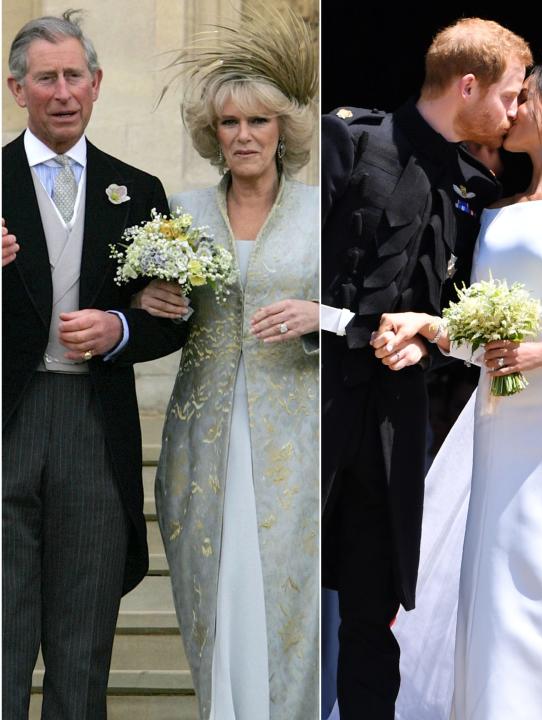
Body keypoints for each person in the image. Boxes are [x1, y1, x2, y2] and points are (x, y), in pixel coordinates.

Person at [375, 59, 542, 719]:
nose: (511, 110)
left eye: (524, 99)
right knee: (501, 585)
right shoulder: (497, 213)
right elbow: (486, 337)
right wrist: (431, 326)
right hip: (503, 421)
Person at [321, 18, 531, 719]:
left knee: (374, 622)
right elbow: (296, 280)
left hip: (395, 431)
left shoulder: (479, 191)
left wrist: (427, 340)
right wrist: (359, 329)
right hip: (312, 411)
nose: (513, 112)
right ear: (466, 85)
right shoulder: (348, 140)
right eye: (506, 96)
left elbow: (460, 313)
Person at [133, 5, 319, 718]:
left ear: (283, 130)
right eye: (230, 124)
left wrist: (316, 318)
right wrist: (151, 297)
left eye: (258, 122)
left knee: (287, 595)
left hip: (293, 438)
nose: (244, 136)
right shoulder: (179, 212)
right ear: (214, 135)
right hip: (201, 436)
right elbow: (136, 307)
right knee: (215, 588)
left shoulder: (318, 212)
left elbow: (361, 313)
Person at [1, 11, 188, 718]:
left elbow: (171, 318)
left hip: (93, 427)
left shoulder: (136, 190)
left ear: (97, 83)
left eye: (73, 75)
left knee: (82, 647)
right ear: (18, 89)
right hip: (5, 424)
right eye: (44, 78)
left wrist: (116, 327)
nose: (61, 91)